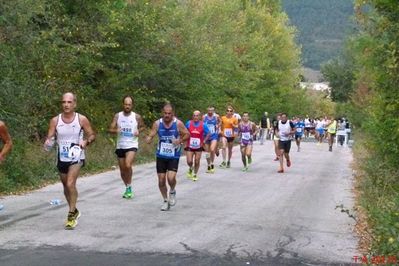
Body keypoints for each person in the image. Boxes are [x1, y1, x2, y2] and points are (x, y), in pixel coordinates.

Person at [44, 92, 96, 230]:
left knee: (70, 182)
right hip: (62, 157)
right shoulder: (55, 120)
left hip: (77, 156)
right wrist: (48, 143)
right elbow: (50, 138)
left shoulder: (81, 119)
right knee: (66, 187)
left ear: (74, 104)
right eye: (64, 102)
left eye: (69, 102)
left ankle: (71, 215)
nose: (66, 105)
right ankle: (74, 209)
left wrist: (86, 141)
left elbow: (92, 134)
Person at [145, 103, 189, 211]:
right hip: (161, 154)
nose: (167, 115)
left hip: (174, 155)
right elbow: (151, 134)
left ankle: (172, 190)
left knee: (170, 178)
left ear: (172, 113)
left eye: (169, 113)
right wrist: (149, 138)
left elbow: (187, 134)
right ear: (162, 113)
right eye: (165, 113)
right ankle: (165, 200)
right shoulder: (157, 123)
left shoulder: (178, 123)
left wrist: (179, 140)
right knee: (161, 180)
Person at [109, 96, 145, 199]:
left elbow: (143, 126)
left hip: (132, 144)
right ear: (123, 104)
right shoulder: (117, 116)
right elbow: (110, 129)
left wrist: (139, 131)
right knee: (122, 170)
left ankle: (128, 187)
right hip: (120, 145)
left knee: (128, 165)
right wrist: (115, 131)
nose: (127, 106)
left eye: (129, 104)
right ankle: (128, 187)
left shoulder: (136, 116)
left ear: (132, 105)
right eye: (126, 104)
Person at [185, 111, 210, 181]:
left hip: (199, 146)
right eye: (194, 115)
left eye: (197, 115)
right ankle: (190, 168)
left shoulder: (203, 125)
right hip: (190, 145)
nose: (195, 117)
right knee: (189, 161)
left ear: (200, 117)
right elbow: (184, 131)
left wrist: (204, 140)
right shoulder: (188, 123)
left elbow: (208, 133)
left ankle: (195, 174)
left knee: (197, 161)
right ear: (192, 116)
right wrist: (183, 138)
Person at [203, 106, 220, 174]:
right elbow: (202, 124)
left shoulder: (216, 116)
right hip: (206, 136)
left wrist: (218, 125)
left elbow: (220, 122)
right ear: (207, 110)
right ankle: (208, 164)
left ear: (213, 111)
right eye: (209, 110)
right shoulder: (204, 117)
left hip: (214, 135)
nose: (210, 112)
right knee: (207, 152)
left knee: (212, 149)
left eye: (211, 110)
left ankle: (212, 163)